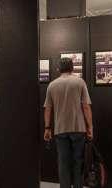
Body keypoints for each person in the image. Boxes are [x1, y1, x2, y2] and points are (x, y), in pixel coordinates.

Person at [43, 58, 93, 188]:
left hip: (60, 130)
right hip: (78, 128)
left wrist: (47, 128)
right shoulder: (80, 82)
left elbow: (48, 108)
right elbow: (86, 106)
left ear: (58, 69)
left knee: (63, 163)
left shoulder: (52, 85)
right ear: (72, 68)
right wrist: (90, 127)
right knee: (78, 162)